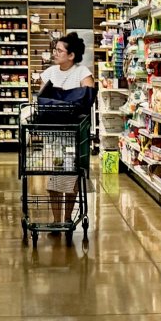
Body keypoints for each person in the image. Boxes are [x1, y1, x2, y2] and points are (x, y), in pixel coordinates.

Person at [40, 32, 94, 230]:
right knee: (54, 177)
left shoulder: (83, 73)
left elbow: (87, 102)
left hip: (74, 135)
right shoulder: (50, 73)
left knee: (71, 177)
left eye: (59, 50)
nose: (55, 53)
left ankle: (68, 218)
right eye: (55, 50)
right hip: (54, 135)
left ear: (71, 55)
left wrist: (59, 101)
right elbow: (42, 102)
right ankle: (56, 220)